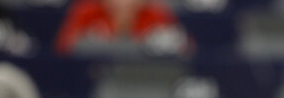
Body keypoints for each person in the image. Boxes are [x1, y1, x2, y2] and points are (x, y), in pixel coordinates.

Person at [54, 0, 186, 55]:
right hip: (92, 82)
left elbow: (185, 50)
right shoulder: (86, 11)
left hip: (147, 82)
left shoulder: (158, 13)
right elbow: (63, 48)